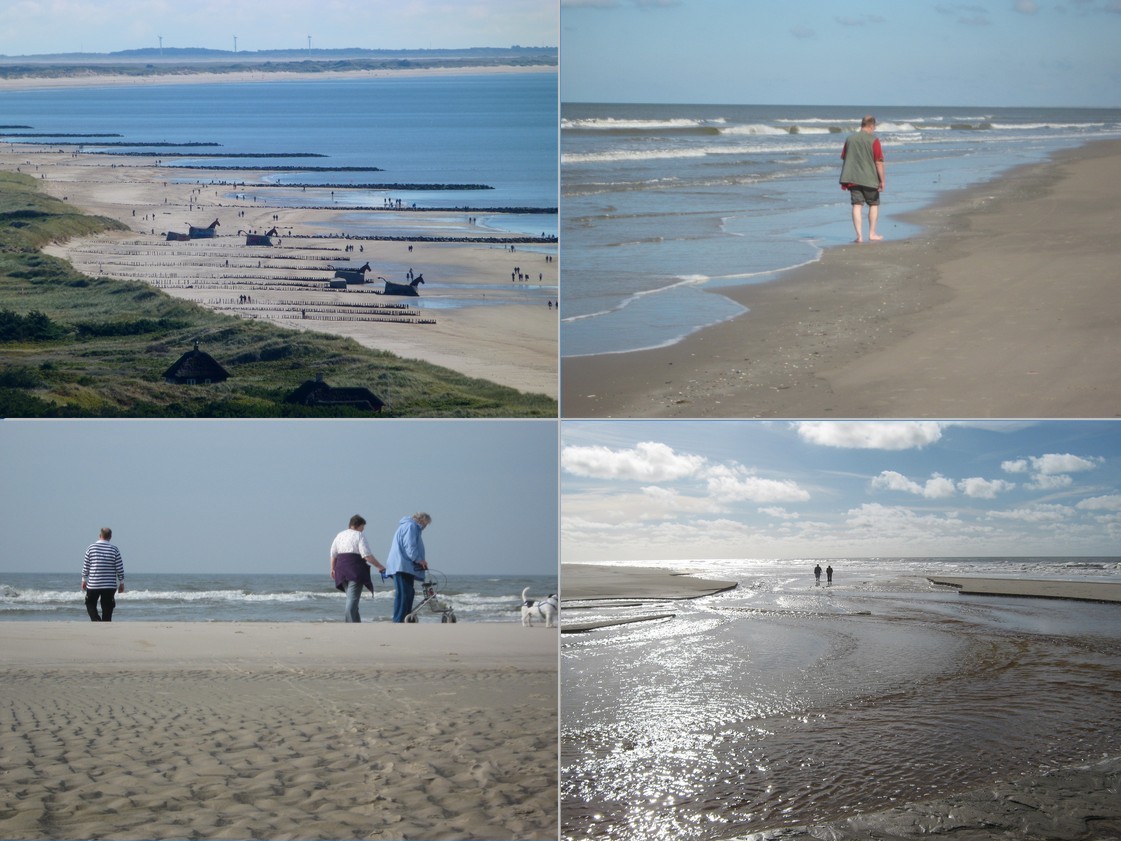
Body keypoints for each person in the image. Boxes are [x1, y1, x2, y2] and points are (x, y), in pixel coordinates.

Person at [330, 515, 385, 623]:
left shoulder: (339, 535)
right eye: (363, 526)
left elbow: (333, 554)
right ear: (358, 525)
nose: (363, 529)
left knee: (351, 599)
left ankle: (356, 623)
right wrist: (379, 566)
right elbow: (366, 555)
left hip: (340, 569)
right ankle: (350, 624)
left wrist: (332, 568)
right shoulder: (359, 535)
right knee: (352, 600)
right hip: (355, 569)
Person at [839, 115, 886, 243]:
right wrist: (882, 180)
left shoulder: (850, 139)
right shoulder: (874, 140)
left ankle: (859, 236)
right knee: (874, 204)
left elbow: (844, 157)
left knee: (856, 205)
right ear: (871, 125)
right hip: (870, 178)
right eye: (874, 127)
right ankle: (872, 233)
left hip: (853, 177)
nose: (873, 130)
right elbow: (879, 162)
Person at [385, 513, 431, 623]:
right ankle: (399, 620)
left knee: (408, 592)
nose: (426, 526)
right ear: (422, 520)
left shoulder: (409, 526)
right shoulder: (411, 526)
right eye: (426, 523)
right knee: (404, 593)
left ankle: (405, 617)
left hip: (404, 565)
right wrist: (419, 560)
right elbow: (410, 546)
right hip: (402, 565)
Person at [82, 527, 125, 621]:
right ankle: (105, 622)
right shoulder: (114, 549)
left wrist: (84, 579)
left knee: (90, 603)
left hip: (94, 583)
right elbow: (119, 567)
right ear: (110, 536)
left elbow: (86, 566)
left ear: (100, 535)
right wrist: (121, 582)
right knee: (107, 607)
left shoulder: (91, 548)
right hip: (109, 585)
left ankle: (96, 620)